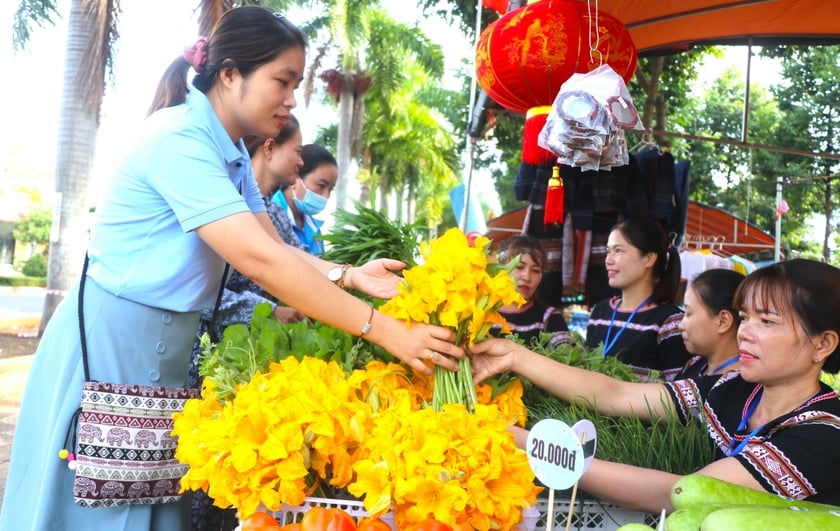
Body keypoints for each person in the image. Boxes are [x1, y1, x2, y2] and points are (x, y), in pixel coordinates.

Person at [0, 8, 462, 530]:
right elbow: (260, 261)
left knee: (147, 503)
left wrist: (348, 276)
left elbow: (274, 246)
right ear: (229, 74)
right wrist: (386, 330)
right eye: (282, 81)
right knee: (98, 504)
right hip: (113, 343)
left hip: (166, 350)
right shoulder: (178, 139)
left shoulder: (233, 156)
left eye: (297, 84)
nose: (292, 100)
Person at [471, 258, 840, 513]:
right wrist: (515, 357)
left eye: (767, 322)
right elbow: (617, 394)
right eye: (746, 318)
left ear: (822, 344)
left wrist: (541, 448)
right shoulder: (733, 389)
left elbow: (679, 492)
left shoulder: (825, 433)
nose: (745, 333)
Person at [585, 216, 691, 381]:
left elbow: (674, 394)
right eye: (608, 251)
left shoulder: (671, 322)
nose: (608, 260)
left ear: (648, 258)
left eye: (618, 250)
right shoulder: (599, 312)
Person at [492, 235, 574, 347]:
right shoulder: (477, 313)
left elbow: (566, 354)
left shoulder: (549, 318)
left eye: (535, 270)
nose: (527, 277)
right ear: (499, 269)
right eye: (519, 267)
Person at [676, 268, 745, 380]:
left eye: (688, 313)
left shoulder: (738, 381)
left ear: (723, 321)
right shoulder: (695, 364)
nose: (680, 325)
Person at [272, 143, 338, 255]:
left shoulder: (315, 230)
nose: (326, 196)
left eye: (330, 189)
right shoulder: (268, 214)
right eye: (321, 185)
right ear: (296, 177)